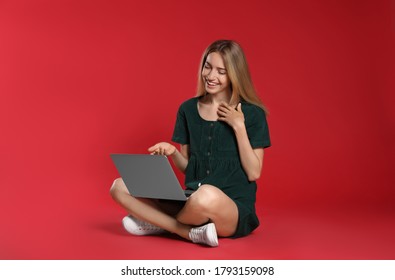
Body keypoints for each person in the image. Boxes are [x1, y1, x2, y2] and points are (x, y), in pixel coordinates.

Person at [110, 40, 271, 247]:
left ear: (234, 74)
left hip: (230, 208)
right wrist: (172, 153)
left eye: (221, 71)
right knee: (119, 186)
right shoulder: (187, 110)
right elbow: (189, 169)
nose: (211, 76)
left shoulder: (252, 114)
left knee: (205, 195)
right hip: (190, 200)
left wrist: (238, 126)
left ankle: (158, 223)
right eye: (208, 66)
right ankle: (188, 232)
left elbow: (254, 172)